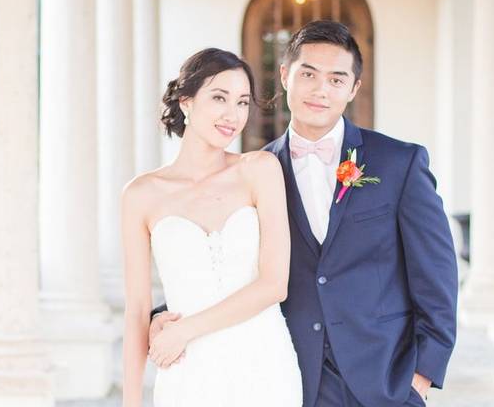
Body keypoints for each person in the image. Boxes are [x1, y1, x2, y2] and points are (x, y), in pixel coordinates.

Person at [150, 21, 459, 407]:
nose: (320, 90)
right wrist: (163, 315)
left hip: (386, 378)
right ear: (284, 76)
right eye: (308, 74)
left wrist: (423, 373)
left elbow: (437, 272)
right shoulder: (254, 171)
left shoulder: (399, 162)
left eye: (336, 79)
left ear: (353, 88)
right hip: (295, 377)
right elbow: (231, 262)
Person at [120, 48, 303, 407]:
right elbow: (138, 310)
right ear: (186, 102)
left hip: (264, 365)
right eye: (219, 97)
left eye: (242, 102)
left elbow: (274, 285)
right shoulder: (140, 195)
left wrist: (184, 330)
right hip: (188, 371)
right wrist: (130, 401)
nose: (232, 115)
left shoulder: (260, 170)